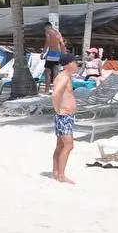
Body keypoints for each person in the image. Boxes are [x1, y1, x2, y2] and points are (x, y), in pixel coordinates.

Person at [51, 54, 79, 184]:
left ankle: (56, 172)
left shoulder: (64, 76)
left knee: (60, 145)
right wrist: (57, 108)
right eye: (75, 62)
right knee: (69, 145)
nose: (77, 65)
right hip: (64, 116)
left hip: (64, 115)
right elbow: (56, 93)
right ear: (69, 64)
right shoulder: (64, 77)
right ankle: (61, 175)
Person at [43, 22, 67, 92]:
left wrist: (43, 52)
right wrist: (63, 54)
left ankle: (47, 89)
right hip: (58, 54)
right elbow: (62, 44)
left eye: (45, 28)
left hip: (51, 53)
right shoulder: (58, 33)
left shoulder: (48, 31)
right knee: (56, 72)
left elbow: (47, 42)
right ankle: (56, 89)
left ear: (47, 27)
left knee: (47, 72)